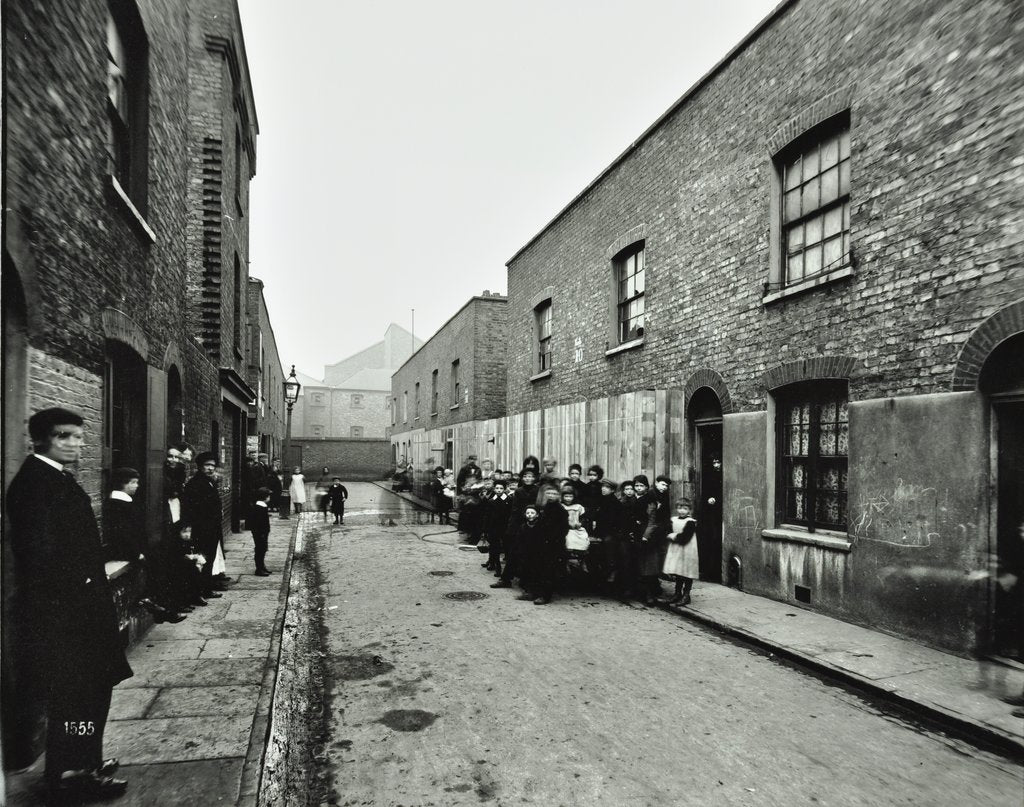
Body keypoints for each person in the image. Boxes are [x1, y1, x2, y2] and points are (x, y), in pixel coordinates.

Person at [6, 408, 132, 800]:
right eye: (65, 437)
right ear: (40, 439)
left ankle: (84, 759)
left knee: (90, 692)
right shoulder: (34, 484)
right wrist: (85, 586)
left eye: (79, 436)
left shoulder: (54, 477)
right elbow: (39, 556)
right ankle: (71, 773)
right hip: (67, 614)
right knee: (77, 694)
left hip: (80, 607)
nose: (76, 444)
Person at [106, 466, 184, 624]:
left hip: (135, 548)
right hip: (127, 550)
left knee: (159, 566)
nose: (137, 485)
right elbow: (124, 533)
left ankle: (158, 606)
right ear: (124, 484)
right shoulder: (119, 505)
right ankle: (158, 607)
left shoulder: (126, 502)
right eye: (134, 482)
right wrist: (137, 552)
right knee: (156, 568)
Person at [182, 452, 226, 600]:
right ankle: (197, 593)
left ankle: (206, 589)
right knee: (201, 560)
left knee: (209, 559)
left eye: (212, 466)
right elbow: (190, 508)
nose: (210, 468)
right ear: (200, 467)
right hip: (202, 529)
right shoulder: (195, 484)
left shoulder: (209, 482)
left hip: (212, 528)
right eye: (207, 465)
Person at [531, 487, 569, 605]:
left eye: (554, 493)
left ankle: (545, 596)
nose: (551, 495)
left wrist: (552, 540)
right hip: (543, 542)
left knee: (548, 570)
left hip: (554, 544)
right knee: (539, 567)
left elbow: (563, 529)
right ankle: (536, 592)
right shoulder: (545, 507)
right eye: (549, 493)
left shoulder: (561, 510)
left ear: (558, 495)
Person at [638, 475, 672, 605]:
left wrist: (667, 528)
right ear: (656, 483)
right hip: (648, 533)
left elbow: (665, 515)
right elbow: (647, 517)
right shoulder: (650, 496)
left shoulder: (663, 496)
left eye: (666, 486)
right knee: (649, 562)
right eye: (662, 484)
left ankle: (654, 586)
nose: (664, 487)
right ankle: (648, 593)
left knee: (657, 561)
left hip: (659, 533)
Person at [663, 499, 699, 605]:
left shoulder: (690, 522)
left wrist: (673, 536)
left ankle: (686, 595)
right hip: (676, 549)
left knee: (687, 572)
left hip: (687, 549)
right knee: (678, 571)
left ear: (689, 510)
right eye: (680, 508)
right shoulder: (673, 520)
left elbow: (685, 538)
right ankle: (677, 593)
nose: (682, 511)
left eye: (685, 509)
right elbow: (668, 530)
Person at [250, 487, 272, 576]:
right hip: (260, 533)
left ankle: (262, 566)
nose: (270, 498)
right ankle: (259, 569)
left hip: (262, 533)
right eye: (269, 496)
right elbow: (259, 523)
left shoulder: (261, 506)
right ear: (265, 497)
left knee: (263, 549)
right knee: (260, 550)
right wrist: (262, 533)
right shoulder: (259, 508)